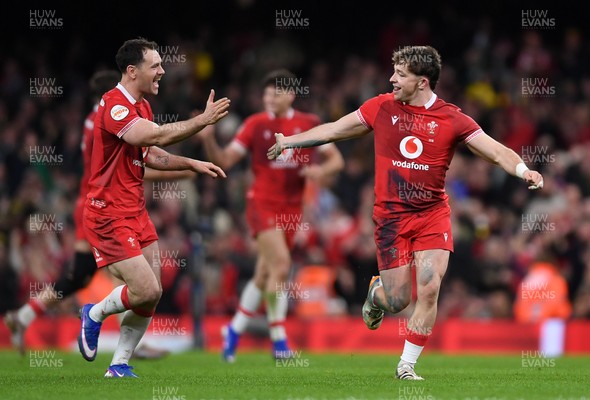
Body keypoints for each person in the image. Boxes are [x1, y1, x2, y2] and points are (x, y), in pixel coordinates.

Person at [268, 46, 544, 380]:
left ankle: (406, 366)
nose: (392, 79)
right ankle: (376, 294)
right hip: (391, 218)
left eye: (400, 74)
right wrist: (290, 141)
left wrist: (522, 170)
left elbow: (495, 150)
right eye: (394, 72)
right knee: (397, 300)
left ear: (422, 82)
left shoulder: (452, 118)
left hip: (432, 214)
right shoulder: (381, 107)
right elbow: (335, 129)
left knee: (429, 286)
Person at [2, 70, 188, 359]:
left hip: (93, 203)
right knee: (126, 271)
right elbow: (132, 167)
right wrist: (183, 170)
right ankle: (129, 343)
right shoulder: (112, 119)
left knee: (81, 274)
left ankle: (24, 316)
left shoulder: (95, 119)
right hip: (103, 206)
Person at [78, 37, 230, 378]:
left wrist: (191, 163)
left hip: (135, 211)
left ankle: (118, 365)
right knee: (145, 289)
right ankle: (94, 313)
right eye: (155, 66)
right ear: (132, 71)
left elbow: (150, 154)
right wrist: (202, 121)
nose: (162, 71)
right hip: (108, 212)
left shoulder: (142, 106)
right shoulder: (115, 105)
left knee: (151, 295)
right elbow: (156, 137)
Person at [201, 69, 344, 362]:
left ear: (290, 95)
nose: (269, 97)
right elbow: (225, 160)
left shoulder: (309, 123)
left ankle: (234, 329)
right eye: (265, 93)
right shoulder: (255, 124)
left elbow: (336, 161)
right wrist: (208, 139)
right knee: (281, 264)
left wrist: (321, 171)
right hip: (262, 203)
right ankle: (279, 339)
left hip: (292, 209)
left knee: (265, 273)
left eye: (274, 93)